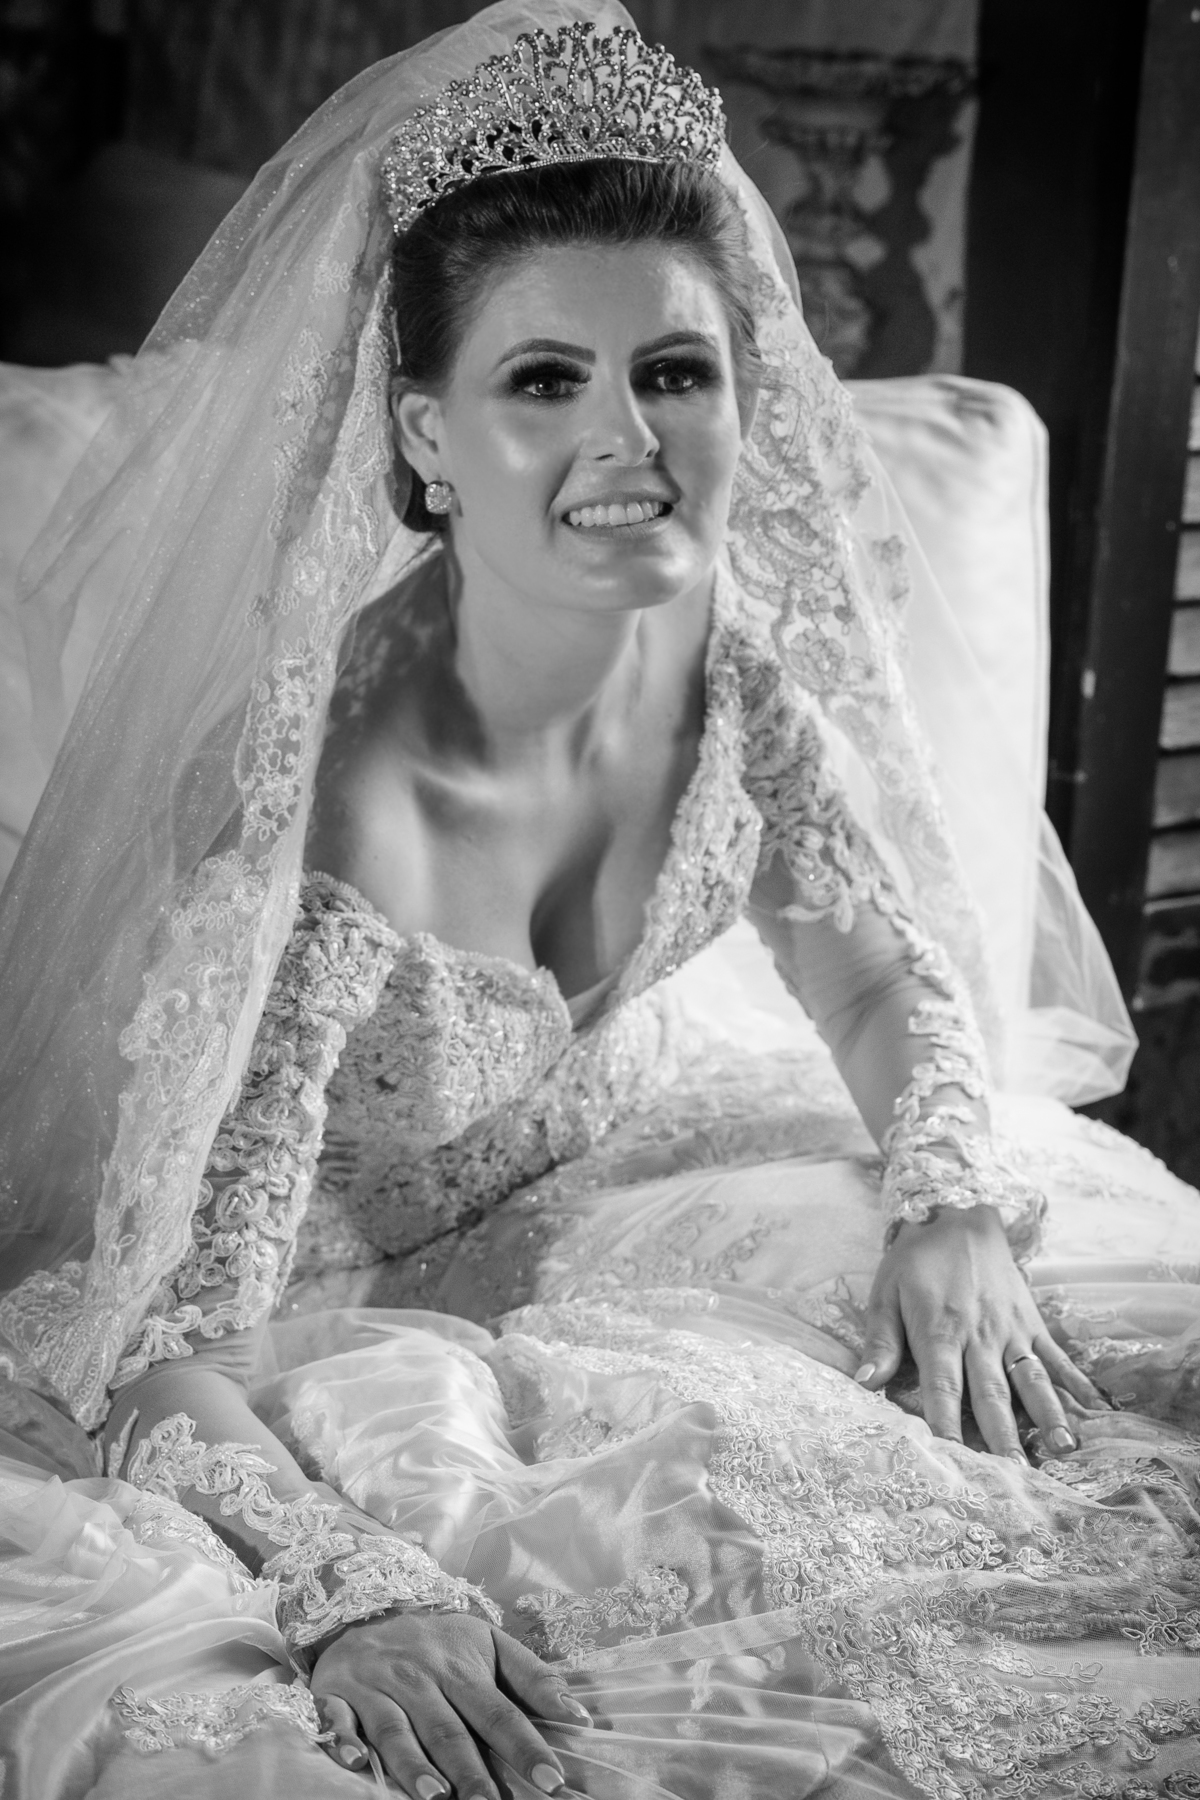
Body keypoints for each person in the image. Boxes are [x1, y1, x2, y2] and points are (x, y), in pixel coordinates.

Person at [1, 4, 1199, 1796]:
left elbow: (874, 975)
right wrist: (350, 1585)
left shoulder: (726, 673)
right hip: (323, 1299)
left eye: (677, 371)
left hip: (631, 1163)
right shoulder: (325, 818)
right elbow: (160, 1351)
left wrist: (947, 1196)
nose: (631, 439)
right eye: (547, 380)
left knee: (1084, 1398)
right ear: (426, 433)